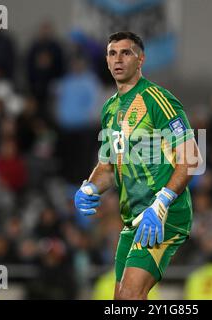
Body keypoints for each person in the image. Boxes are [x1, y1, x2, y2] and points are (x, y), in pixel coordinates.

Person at [74, 31, 202, 300]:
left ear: (140, 59)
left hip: (164, 215)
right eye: (112, 53)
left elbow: (191, 159)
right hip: (133, 219)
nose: (118, 59)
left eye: (126, 52)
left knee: (131, 297)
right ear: (107, 62)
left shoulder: (158, 99)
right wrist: (88, 188)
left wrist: (161, 203)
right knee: (121, 301)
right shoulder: (109, 108)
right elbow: (108, 167)